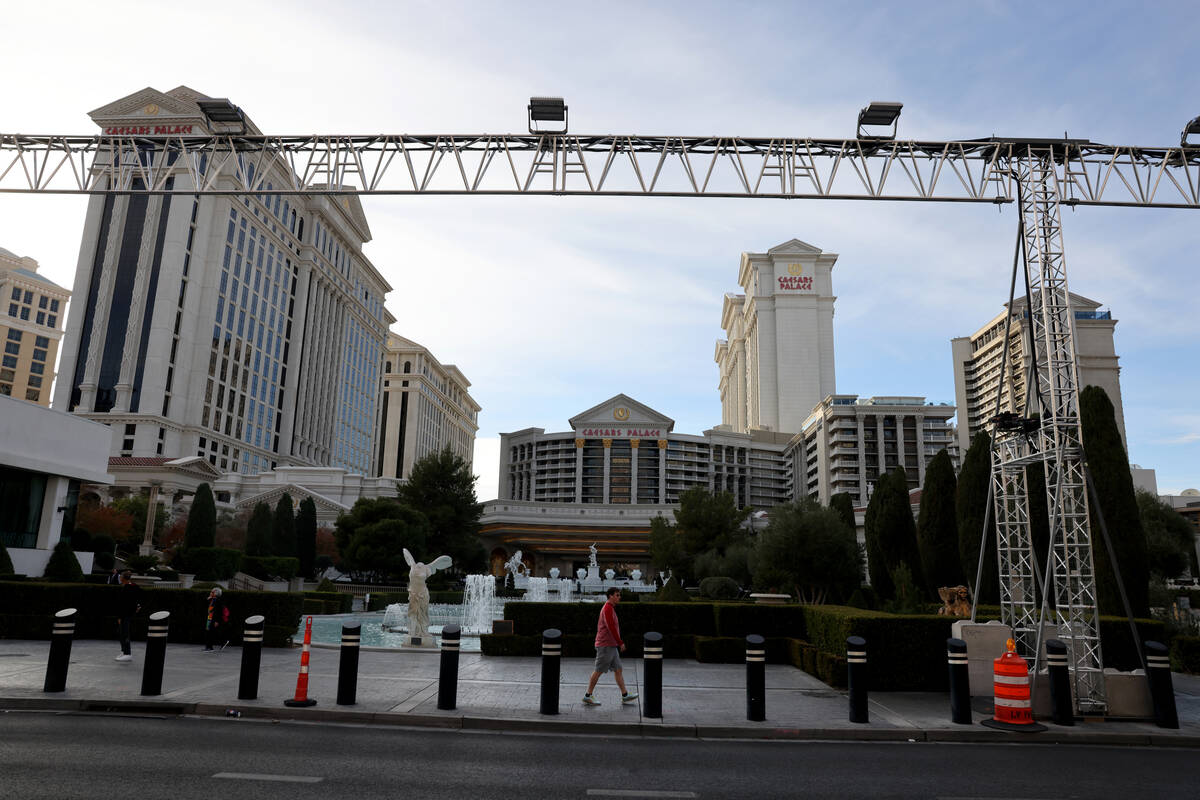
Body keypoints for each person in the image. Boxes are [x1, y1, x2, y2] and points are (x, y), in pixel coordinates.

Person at [582, 587, 638, 706]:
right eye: (617, 595)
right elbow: (610, 627)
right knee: (598, 671)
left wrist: (616, 643)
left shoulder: (611, 608)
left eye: (619, 595)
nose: (619, 597)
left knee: (618, 669)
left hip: (611, 646)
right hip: (605, 645)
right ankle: (588, 695)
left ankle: (625, 695)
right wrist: (620, 642)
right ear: (610, 596)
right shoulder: (607, 608)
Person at [114, 569, 141, 662]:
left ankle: (127, 653)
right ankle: (124, 651)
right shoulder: (133, 586)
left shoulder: (127, 588)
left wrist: (120, 617)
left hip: (125, 614)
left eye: (121, 577)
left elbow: (124, 605)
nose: (120, 578)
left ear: (123, 578)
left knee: (124, 633)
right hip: (127, 614)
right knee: (121, 632)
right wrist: (138, 606)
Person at [203, 587, 228, 652]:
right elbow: (208, 608)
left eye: (212, 592)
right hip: (209, 618)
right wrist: (208, 599)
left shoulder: (218, 600)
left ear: (216, 593)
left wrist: (217, 621)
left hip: (214, 619)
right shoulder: (212, 599)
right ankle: (209, 646)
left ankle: (210, 647)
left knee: (211, 633)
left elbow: (219, 611)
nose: (210, 593)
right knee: (209, 632)